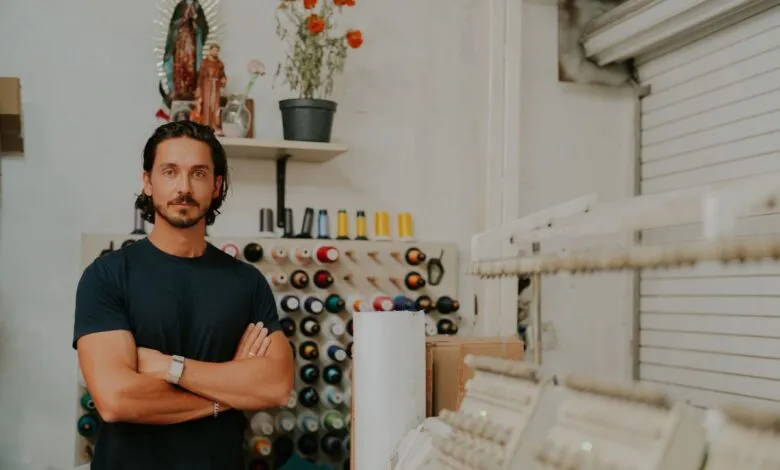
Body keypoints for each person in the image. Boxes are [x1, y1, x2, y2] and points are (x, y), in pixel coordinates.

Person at [73, 120, 294, 470]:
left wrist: (169, 367)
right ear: (148, 182)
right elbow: (117, 399)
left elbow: (276, 386)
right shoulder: (107, 275)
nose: (184, 187)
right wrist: (228, 396)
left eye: (199, 174)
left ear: (216, 186)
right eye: (170, 172)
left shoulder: (247, 282)